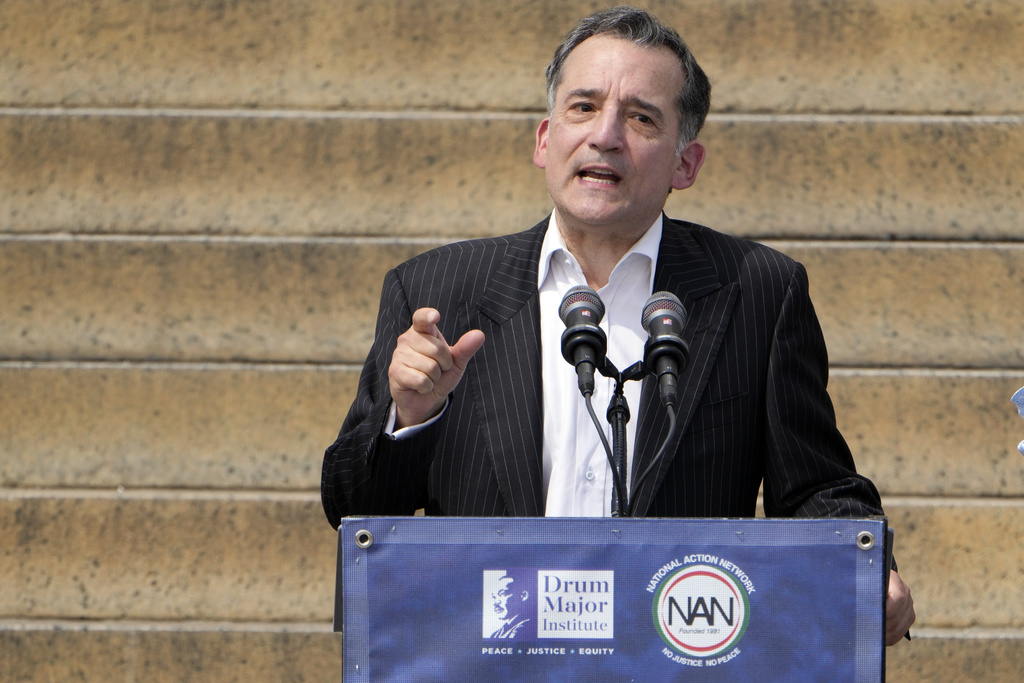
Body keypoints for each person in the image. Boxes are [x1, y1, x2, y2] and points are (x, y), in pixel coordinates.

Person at [321, 5, 915, 645]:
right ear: (545, 140)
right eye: (583, 107)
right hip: (487, 651)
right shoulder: (438, 292)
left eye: (641, 118)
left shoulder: (758, 291)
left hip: (674, 650)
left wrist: (870, 567)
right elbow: (352, 507)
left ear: (686, 164)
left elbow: (816, 485)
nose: (605, 135)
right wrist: (411, 417)